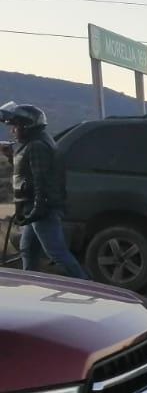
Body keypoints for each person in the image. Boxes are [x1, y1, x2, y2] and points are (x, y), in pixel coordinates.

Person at [0, 101, 88, 279]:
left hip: (41, 209)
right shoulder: (37, 143)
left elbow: (41, 180)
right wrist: (11, 156)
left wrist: (38, 209)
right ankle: (29, 284)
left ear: (27, 126)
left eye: (15, 126)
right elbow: (27, 174)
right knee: (28, 250)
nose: (12, 131)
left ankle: (87, 285)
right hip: (35, 208)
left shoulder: (37, 146)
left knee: (56, 253)